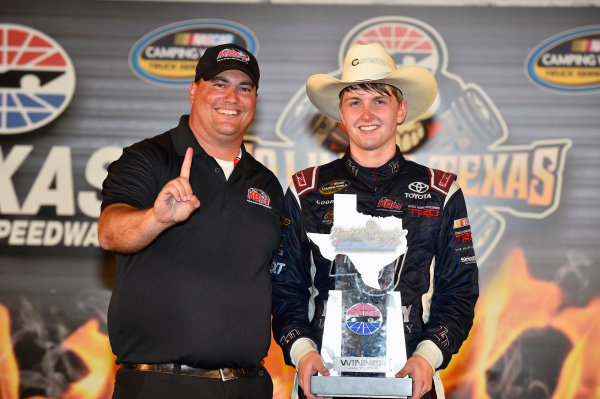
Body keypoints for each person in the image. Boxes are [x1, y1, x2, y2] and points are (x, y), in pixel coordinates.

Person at [271, 42, 478, 399]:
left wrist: (428, 357)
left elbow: (458, 291)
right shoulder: (304, 189)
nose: (367, 113)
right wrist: (303, 353)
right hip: (323, 376)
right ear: (341, 113)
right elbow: (284, 288)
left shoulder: (440, 191)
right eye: (355, 101)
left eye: (379, 100)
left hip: (411, 376)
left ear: (401, 110)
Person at [98, 43, 283, 399]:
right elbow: (110, 232)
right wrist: (156, 218)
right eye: (219, 83)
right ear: (194, 90)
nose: (233, 96)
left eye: (245, 87)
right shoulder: (149, 158)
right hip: (162, 385)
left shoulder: (266, 183)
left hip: (248, 385)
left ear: (255, 99)